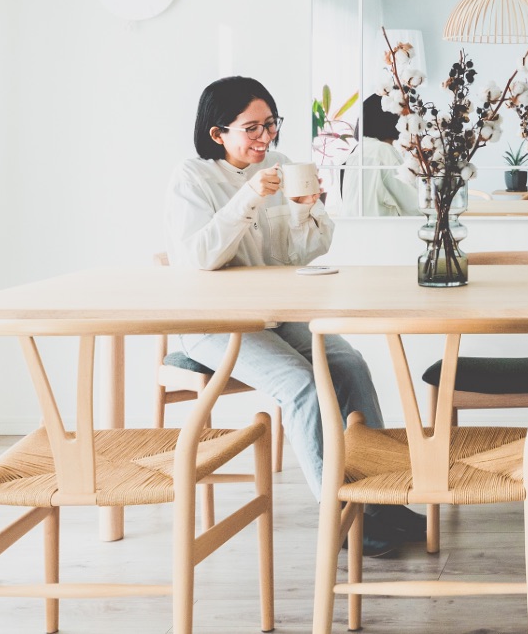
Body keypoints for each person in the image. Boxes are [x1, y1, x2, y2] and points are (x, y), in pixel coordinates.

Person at [165, 75, 424, 556]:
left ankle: (384, 498)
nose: (266, 138)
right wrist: (249, 198)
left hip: (276, 315)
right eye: (252, 128)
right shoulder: (193, 178)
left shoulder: (282, 167)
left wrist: (308, 211)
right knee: (303, 385)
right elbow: (199, 258)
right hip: (215, 324)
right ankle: (341, 516)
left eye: (271, 124)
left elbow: (302, 255)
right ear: (218, 132)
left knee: (350, 365)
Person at [359, 93, 422, 217]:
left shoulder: (354, 151)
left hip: (356, 233)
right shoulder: (383, 152)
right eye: (403, 113)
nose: (407, 117)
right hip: (383, 233)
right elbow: (415, 206)